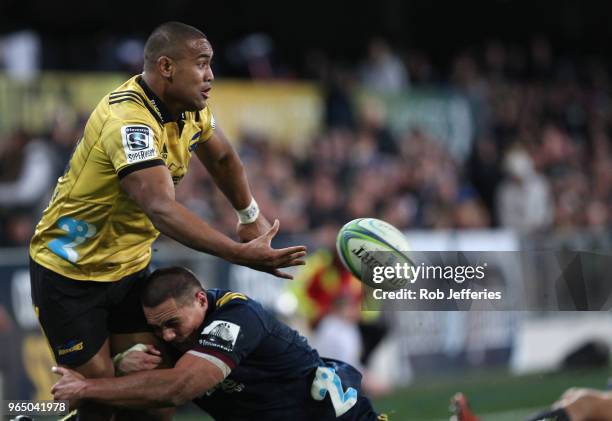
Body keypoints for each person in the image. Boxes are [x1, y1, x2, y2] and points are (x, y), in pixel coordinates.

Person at [29, 21, 306, 420]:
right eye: (202, 63)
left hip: (129, 270)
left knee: (155, 399)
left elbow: (224, 158)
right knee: (99, 398)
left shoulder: (188, 109)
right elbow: (160, 206)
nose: (210, 75)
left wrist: (249, 215)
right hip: (71, 275)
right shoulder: (128, 121)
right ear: (166, 67)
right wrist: (238, 253)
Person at [51, 267, 385, 421]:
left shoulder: (236, 317)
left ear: (200, 300)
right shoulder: (178, 331)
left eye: (172, 324)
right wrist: (121, 363)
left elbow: (179, 387)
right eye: (158, 328)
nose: (166, 336)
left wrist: (87, 388)